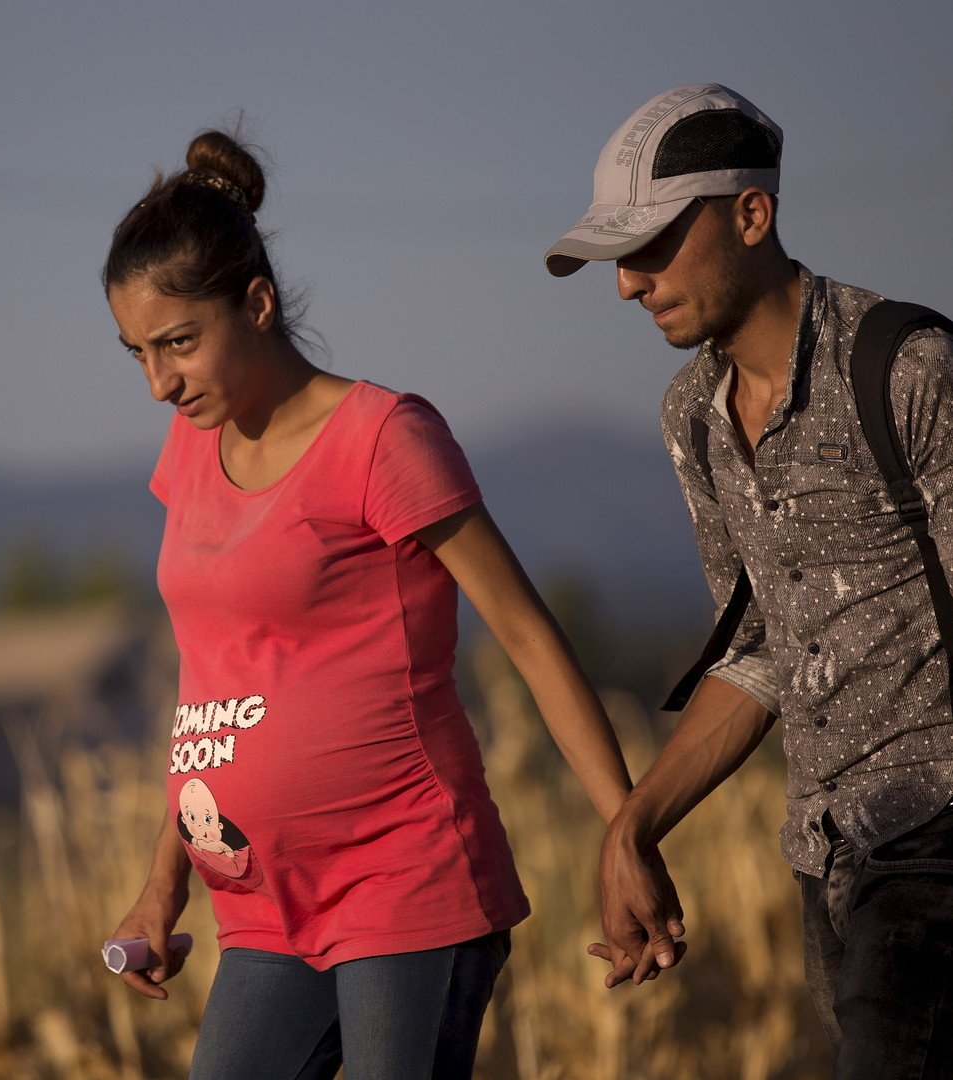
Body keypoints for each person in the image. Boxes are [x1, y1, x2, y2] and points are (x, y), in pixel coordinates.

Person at [104, 128, 667, 1080]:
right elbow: (213, 692)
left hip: (406, 879)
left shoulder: (382, 438)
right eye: (137, 354)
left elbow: (527, 635)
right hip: (262, 906)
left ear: (257, 302)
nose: (160, 382)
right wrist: (162, 886)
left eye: (179, 344)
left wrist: (628, 835)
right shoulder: (189, 452)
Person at [545, 83, 953, 1076]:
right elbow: (760, 646)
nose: (626, 285)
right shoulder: (691, 417)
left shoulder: (907, 369)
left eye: (649, 247)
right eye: (615, 258)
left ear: (751, 214)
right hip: (825, 856)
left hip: (935, 831)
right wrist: (632, 827)